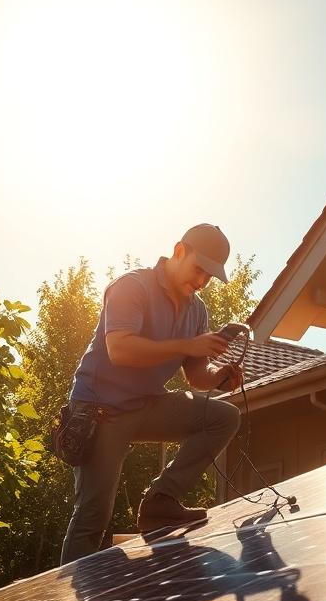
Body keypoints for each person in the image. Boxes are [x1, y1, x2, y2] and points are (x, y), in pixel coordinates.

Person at [59, 224, 244, 565]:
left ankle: (160, 500)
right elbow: (121, 350)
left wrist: (219, 378)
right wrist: (189, 344)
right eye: (198, 269)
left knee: (223, 417)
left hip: (146, 404)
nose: (202, 281)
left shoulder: (197, 310)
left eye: (210, 276)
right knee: (93, 516)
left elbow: (196, 376)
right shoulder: (131, 286)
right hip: (101, 412)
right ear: (179, 251)